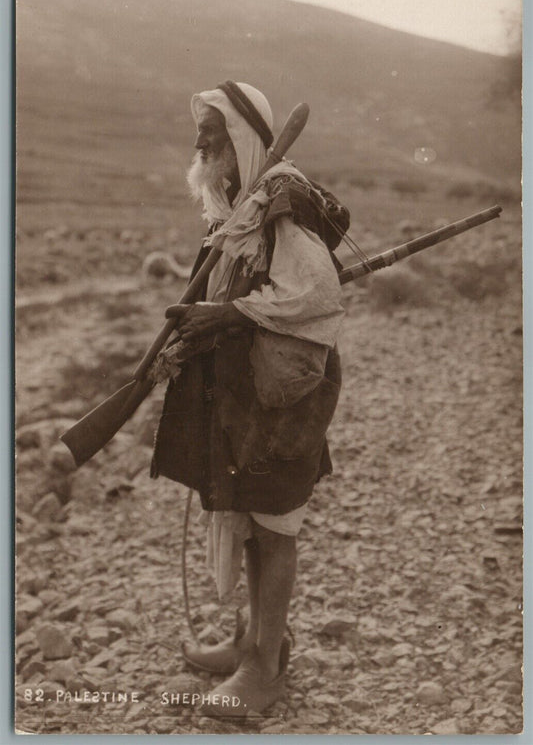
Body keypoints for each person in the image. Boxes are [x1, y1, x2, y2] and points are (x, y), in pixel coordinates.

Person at [150, 81, 348, 718]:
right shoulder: (237, 204)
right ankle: (250, 642)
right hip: (246, 391)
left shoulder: (281, 199)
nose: (201, 141)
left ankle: (264, 666)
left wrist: (224, 316)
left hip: (285, 390)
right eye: (200, 130)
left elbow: (315, 297)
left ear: (241, 139)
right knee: (250, 513)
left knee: (274, 522)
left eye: (212, 130)